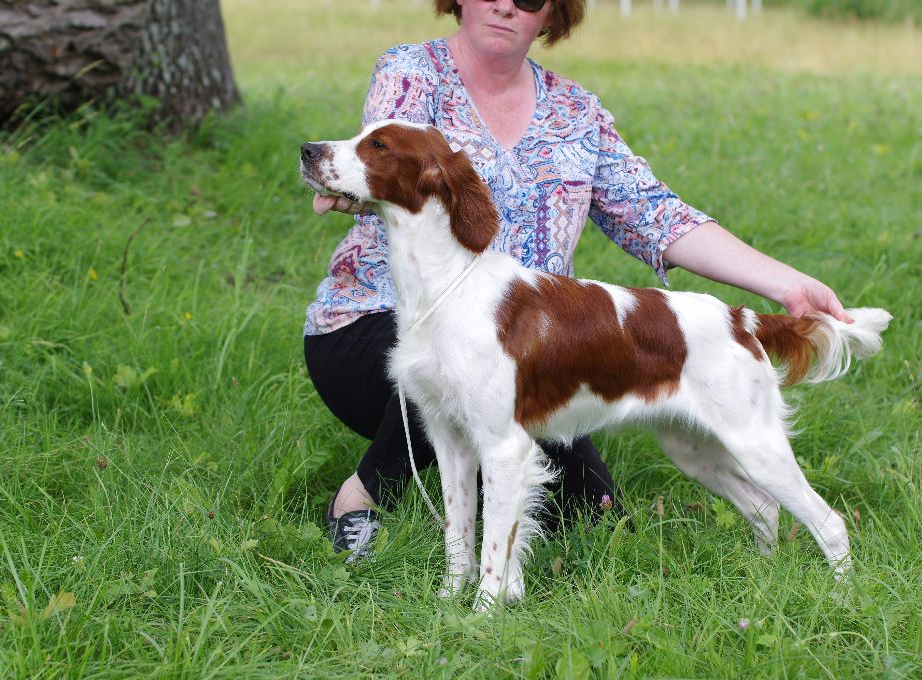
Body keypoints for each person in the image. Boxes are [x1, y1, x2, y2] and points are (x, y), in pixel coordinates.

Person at [304, 0, 853, 559]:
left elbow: (655, 214)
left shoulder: (576, 114)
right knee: (455, 365)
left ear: (551, 15)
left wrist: (784, 283)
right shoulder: (411, 75)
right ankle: (361, 499)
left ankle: (494, 552)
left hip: (538, 344)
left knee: (594, 522)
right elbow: (375, 164)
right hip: (377, 322)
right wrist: (351, 185)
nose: (504, 5)